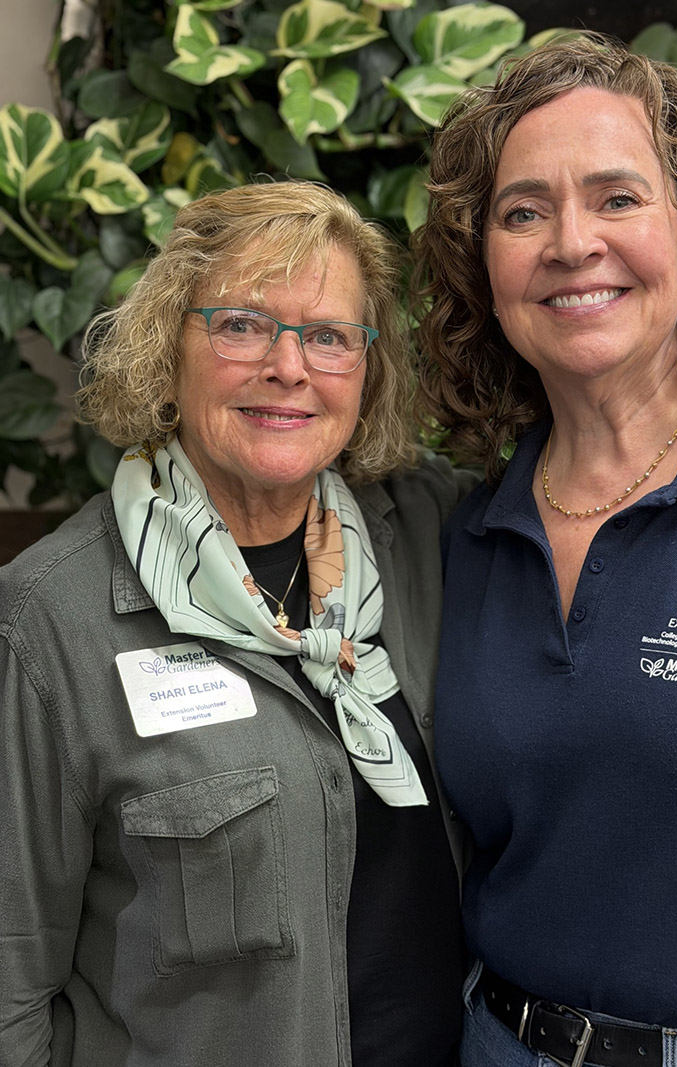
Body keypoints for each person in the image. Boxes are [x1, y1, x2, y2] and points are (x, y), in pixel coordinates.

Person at [0, 182, 469, 1066]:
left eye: (329, 336)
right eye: (243, 324)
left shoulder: (424, 537)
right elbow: (9, 986)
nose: (288, 367)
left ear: (367, 373)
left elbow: (596, 463)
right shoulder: (49, 620)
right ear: (166, 345)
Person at [413, 35, 677, 1067]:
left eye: (616, 197)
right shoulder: (464, 530)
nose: (569, 242)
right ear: (480, 264)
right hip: (494, 1040)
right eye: (522, 210)